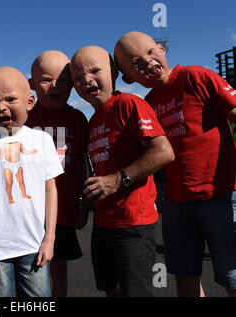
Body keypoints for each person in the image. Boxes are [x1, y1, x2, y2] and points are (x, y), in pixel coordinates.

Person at [114, 31, 236, 297]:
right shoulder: (147, 105)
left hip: (222, 195)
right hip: (177, 204)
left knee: (232, 276)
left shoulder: (196, 76)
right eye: (135, 63)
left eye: (149, 52)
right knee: (185, 276)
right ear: (128, 78)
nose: (146, 62)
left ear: (162, 49)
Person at [70, 46, 174, 297]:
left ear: (114, 72)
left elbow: (163, 151)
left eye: (95, 71)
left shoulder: (129, 103)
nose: (87, 80)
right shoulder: (93, 120)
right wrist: (84, 205)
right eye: (78, 78)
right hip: (103, 224)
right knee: (111, 290)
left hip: (133, 224)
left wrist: (118, 179)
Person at [0, 66, 64, 297]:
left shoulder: (43, 140)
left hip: (34, 246)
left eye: (10, 99)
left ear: (30, 101)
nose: (2, 107)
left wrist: (50, 239)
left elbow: (50, 191)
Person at [26, 50, 88, 297]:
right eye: (46, 79)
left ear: (71, 85)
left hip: (63, 211)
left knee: (58, 266)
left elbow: (85, 163)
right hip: (28, 212)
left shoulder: (78, 119)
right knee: (30, 267)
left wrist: (83, 205)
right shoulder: (25, 119)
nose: (55, 86)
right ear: (31, 84)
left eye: (62, 81)